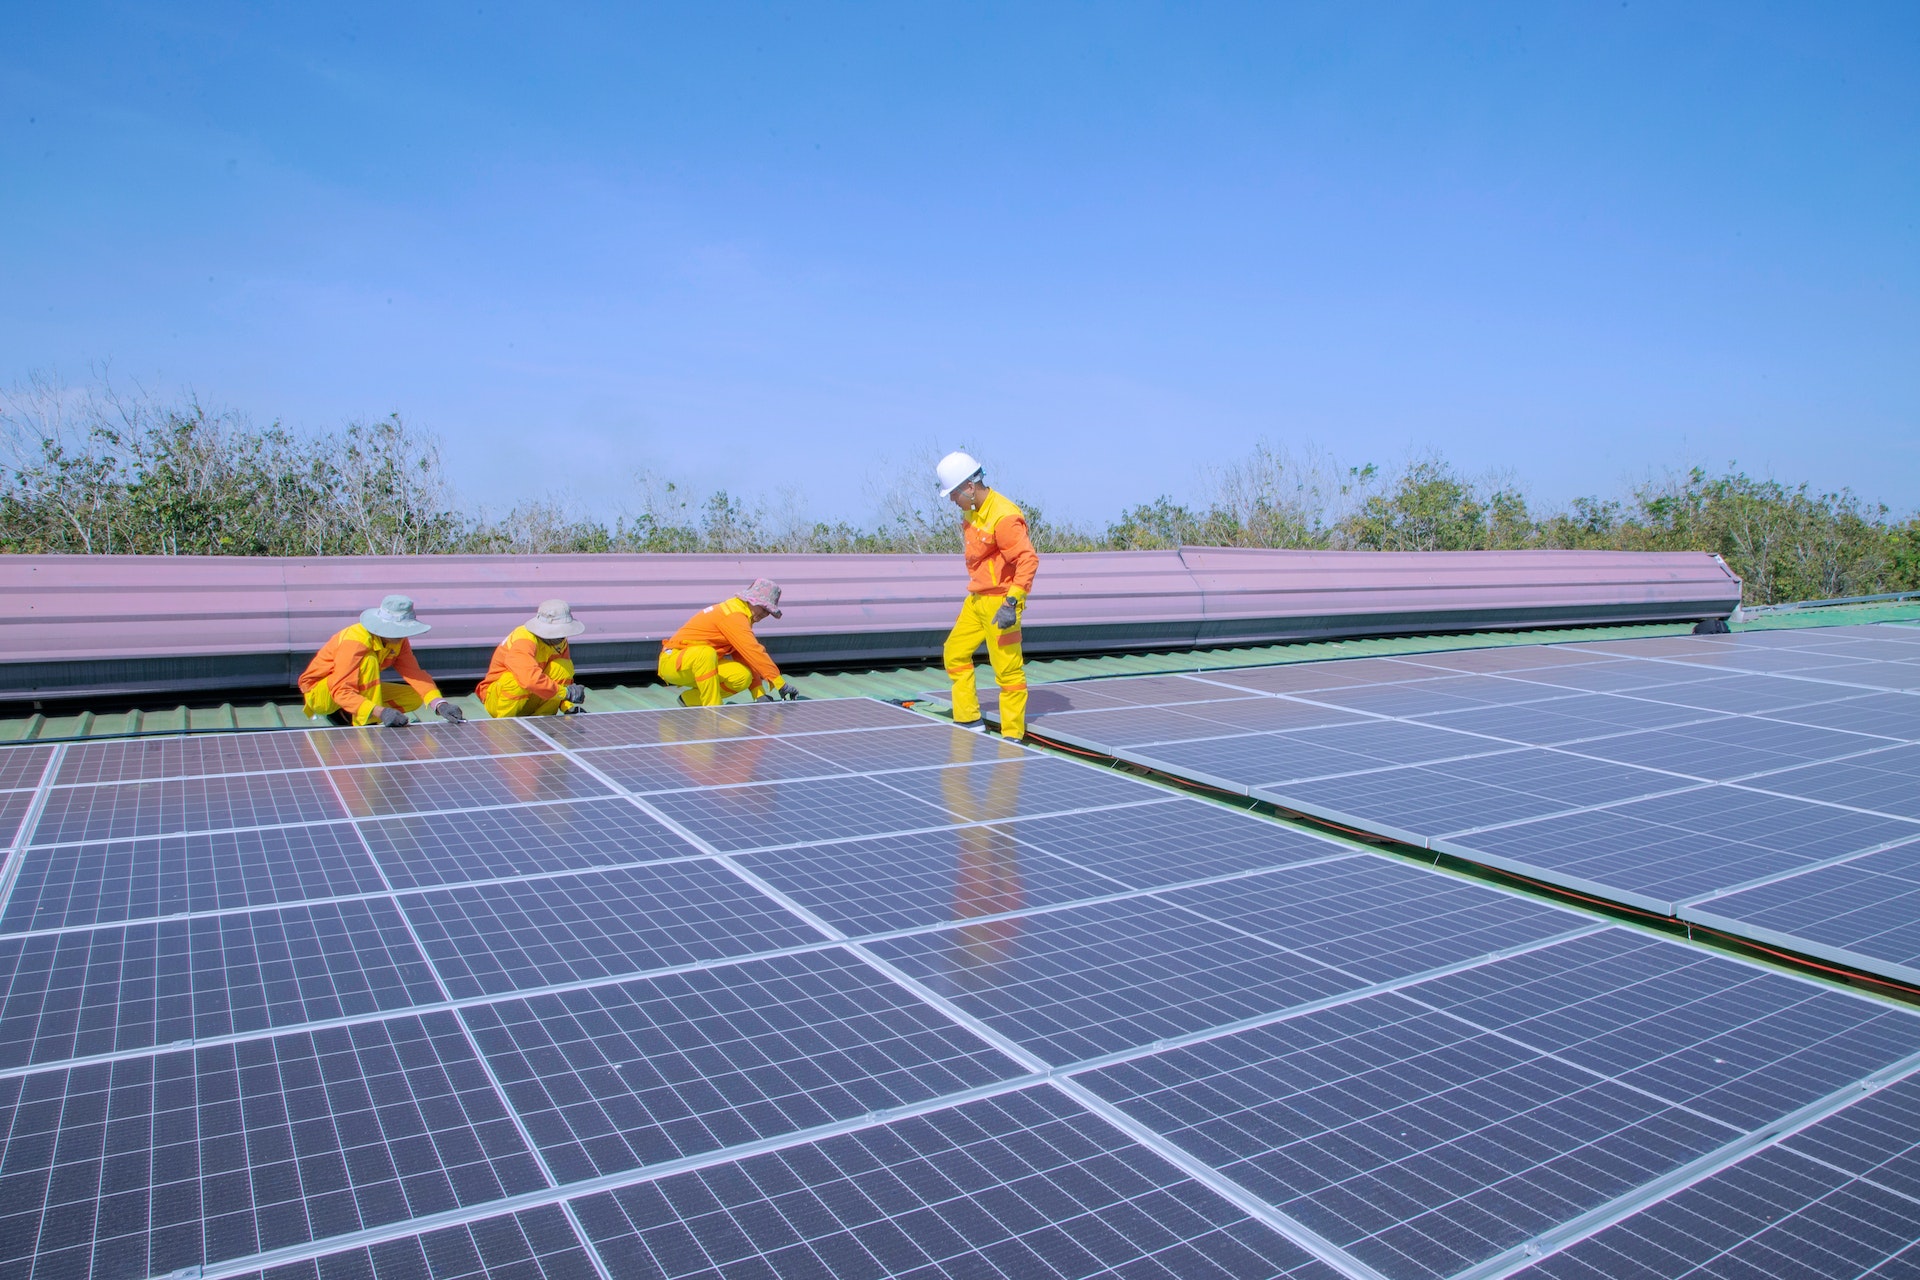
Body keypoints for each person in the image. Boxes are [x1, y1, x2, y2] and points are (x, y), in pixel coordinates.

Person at [937, 451, 1038, 741]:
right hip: (977, 600)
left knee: (1008, 671)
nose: (953, 501)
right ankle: (969, 720)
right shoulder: (971, 511)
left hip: (1001, 603)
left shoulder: (1004, 516)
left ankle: (1012, 736)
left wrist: (1012, 602)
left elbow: (1027, 560)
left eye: (954, 494)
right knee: (955, 653)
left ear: (969, 487)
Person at [300, 594, 466, 728]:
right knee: (369, 661)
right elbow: (340, 690)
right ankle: (366, 724)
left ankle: (351, 711)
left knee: (416, 697)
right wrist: (381, 712)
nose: (401, 635)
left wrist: (439, 704)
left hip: (353, 691)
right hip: (322, 695)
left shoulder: (399, 641)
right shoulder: (354, 642)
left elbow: (415, 674)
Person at [658, 579, 803, 707]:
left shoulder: (740, 615)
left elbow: (745, 655)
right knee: (705, 653)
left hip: (697, 666)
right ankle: (713, 710)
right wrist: (780, 684)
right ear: (751, 600)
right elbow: (753, 650)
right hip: (672, 662)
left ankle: (690, 699)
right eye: (763, 608)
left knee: (742, 676)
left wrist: (758, 693)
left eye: (768, 612)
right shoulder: (733, 615)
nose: (764, 615)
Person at [477, 599, 589, 718]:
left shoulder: (560, 642)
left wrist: (568, 706)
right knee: (515, 680)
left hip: (531, 698)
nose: (562, 636)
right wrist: (566, 693)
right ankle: (506, 722)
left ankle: (543, 720)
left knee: (561, 667)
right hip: (499, 700)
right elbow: (528, 679)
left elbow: (562, 680)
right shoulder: (523, 640)